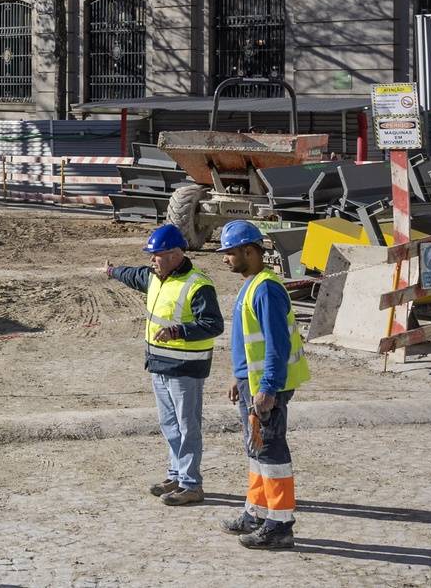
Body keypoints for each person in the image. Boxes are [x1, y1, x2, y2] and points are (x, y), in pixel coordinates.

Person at [104, 223, 224, 506]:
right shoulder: (155, 277)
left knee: (187, 426)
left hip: (186, 368)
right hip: (159, 364)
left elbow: (213, 324)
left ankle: (191, 484)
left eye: (155, 255)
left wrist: (178, 331)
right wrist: (111, 271)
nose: (151, 260)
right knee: (169, 424)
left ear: (173, 254)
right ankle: (176, 475)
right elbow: (133, 275)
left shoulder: (198, 284)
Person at [215, 219, 310, 550]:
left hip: (266, 388)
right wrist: (239, 377)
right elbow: (250, 342)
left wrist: (267, 388)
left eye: (229, 252)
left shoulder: (266, 288)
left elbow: (276, 345)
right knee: (256, 449)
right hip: (251, 383)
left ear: (249, 251)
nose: (225, 258)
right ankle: (256, 512)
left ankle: (280, 525)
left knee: (270, 451)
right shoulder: (252, 284)